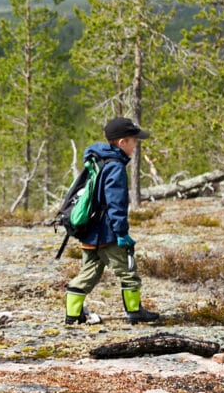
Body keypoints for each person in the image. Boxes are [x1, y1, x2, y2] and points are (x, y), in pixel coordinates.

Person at [64, 117, 160, 326]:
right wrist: (121, 233)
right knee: (128, 273)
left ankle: (73, 314)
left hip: (89, 231)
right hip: (107, 233)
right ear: (122, 142)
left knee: (88, 273)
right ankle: (134, 312)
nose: (136, 145)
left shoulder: (98, 161)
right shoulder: (115, 166)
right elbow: (116, 204)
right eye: (134, 141)